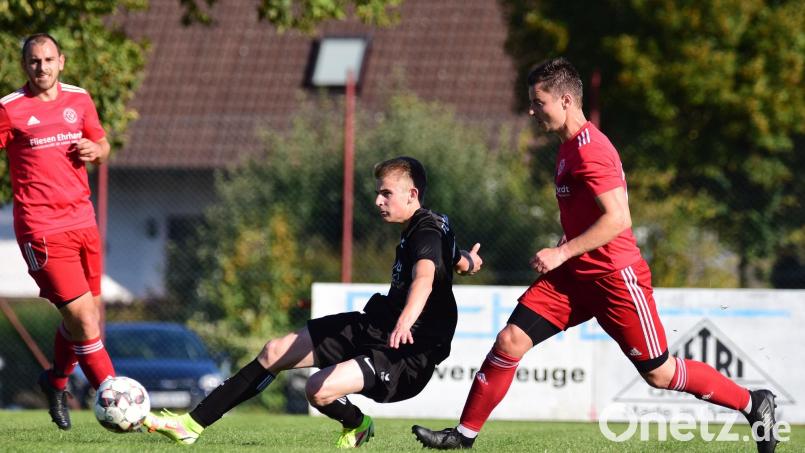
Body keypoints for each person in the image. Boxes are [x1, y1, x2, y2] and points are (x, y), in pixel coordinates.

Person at [411, 58, 779, 453]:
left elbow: (618, 219)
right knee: (510, 340)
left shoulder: (592, 152)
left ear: (566, 100)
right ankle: (462, 436)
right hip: (573, 276)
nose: (532, 111)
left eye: (539, 102)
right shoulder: (568, 149)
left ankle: (753, 402)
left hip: (615, 278)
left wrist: (561, 251)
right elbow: (583, 217)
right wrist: (564, 250)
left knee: (660, 373)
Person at [144, 156, 483, 448]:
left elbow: (424, 277)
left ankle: (358, 425)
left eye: (386, 193)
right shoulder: (433, 226)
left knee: (317, 390)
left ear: (413, 194)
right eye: (377, 192)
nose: (378, 200)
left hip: (405, 354)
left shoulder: (425, 231)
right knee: (274, 351)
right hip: (377, 324)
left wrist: (407, 319)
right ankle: (191, 426)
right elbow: (451, 257)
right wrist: (468, 263)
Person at [0, 33, 116, 430]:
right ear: (24, 66)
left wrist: (95, 151)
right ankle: (119, 400)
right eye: (34, 62)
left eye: (49, 60)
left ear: (61, 61)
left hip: (83, 221)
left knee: (89, 318)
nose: (42, 68)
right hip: (41, 229)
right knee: (83, 319)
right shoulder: (10, 109)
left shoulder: (79, 100)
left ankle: (55, 382)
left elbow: (103, 144)